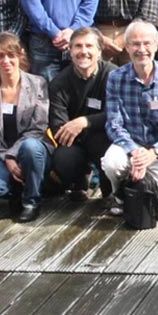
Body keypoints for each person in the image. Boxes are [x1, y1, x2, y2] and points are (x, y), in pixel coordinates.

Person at [102, 21, 158, 220]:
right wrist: (135, 151)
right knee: (111, 163)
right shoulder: (115, 77)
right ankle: (122, 195)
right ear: (127, 46)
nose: (141, 49)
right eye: (135, 44)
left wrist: (154, 152)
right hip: (130, 147)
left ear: (157, 45)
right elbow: (114, 123)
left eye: (147, 43)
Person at [0, 33, 52, 222]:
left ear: (21, 55)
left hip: (30, 150)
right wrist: (6, 158)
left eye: (11, 55)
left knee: (31, 146)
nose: (6, 61)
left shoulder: (38, 83)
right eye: (0, 56)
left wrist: (12, 155)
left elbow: (39, 127)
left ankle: (32, 201)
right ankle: (17, 192)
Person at [48, 27, 116, 199]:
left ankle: (111, 194)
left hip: (106, 137)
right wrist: (82, 132)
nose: (83, 51)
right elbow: (58, 126)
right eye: (78, 46)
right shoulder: (58, 83)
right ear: (70, 51)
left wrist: (84, 122)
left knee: (101, 144)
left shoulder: (113, 75)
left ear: (99, 51)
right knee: (63, 158)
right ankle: (79, 183)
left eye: (89, 46)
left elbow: (117, 114)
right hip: (75, 143)